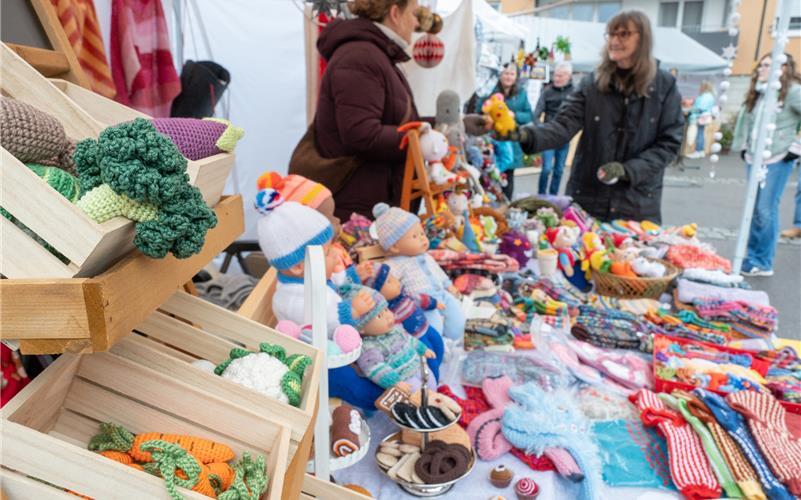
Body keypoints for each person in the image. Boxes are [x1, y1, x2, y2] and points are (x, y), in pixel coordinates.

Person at [466, 11, 683, 223]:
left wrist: (629, 170)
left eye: (624, 34)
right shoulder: (593, 84)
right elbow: (561, 127)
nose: (615, 40)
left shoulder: (664, 87)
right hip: (589, 200)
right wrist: (521, 134)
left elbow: (669, 143)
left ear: (643, 39)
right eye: (611, 34)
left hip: (638, 204)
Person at [292, 0, 421, 220]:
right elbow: (360, 133)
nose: (416, 23)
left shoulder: (375, 55)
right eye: (414, 14)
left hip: (368, 201)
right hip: (357, 209)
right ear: (395, 13)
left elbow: (389, 120)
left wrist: (436, 127)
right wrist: (417, 138)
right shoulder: (360, 57)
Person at [733, 52, 801, 276]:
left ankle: (763, 261)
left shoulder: (792, 92)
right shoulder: (761, 92)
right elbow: (752, 123)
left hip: (777, 159)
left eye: (768, 65)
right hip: (755, 157)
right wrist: (745, 146)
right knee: (754, 209)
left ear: (783, 68)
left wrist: (795, 147)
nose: (762, 69)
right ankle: (752, 257)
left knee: (765, 210)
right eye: (761, 65)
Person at [476, 63, 533, 200]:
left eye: (512, 74)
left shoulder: (521, 94)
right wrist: (488, 118)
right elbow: (479, 109)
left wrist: (515, 115)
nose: (508, 77)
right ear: (500, 75)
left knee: (508, 177)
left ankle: (506, 207)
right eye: (506, 73)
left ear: (516, 77)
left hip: (512, 140)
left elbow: (529, 115)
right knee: (488, 174)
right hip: (492, 141)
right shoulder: (490, 90)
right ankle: (487, 206)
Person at [533, 61, 574, 195]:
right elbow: (536, 114)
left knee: (559, 170)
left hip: (564, 136)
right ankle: (541, 195)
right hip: (548, 135)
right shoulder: (547, 92)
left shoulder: (574, 92)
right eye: (555, 75)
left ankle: (553, 197)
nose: (556, 79)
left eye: (560, 76)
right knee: (546, 169)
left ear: (568, 76)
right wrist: (542, 128)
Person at [685, 81, 716, 159]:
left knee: (698, 134)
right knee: (701, 134)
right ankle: (700, 151)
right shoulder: (710, 96)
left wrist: (690, 109)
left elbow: (700, 108)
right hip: (703, 117)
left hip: (699, 117)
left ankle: (698, 151)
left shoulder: (705, 96)